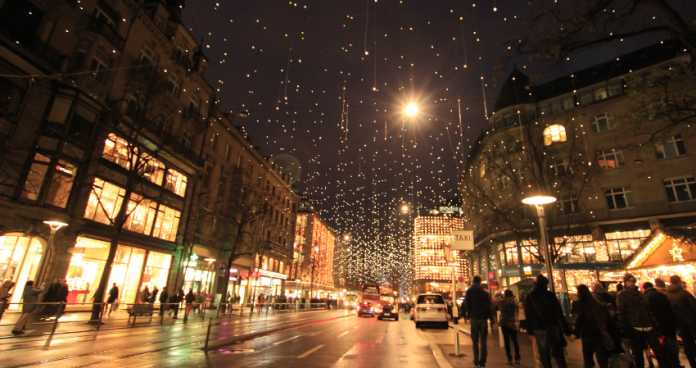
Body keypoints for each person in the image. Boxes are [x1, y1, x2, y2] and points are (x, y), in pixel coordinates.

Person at [617, 274, 668, 368]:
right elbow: (621, 312)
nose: (632, 283)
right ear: (625, 282)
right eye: (629, 281)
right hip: (635, 327)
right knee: (638, 355)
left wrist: (655, 326)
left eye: (633, 281)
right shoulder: (623, 295)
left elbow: (649, 311)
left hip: (647, 326)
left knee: (659, 353)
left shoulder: (640, 294)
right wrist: (624, 329)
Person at [524, 274, 572, 368]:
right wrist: (567, 330)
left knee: (544, 356)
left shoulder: (530, 297)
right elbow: (559, 313)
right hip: (553, 326)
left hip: (539, 328)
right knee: (559, 355)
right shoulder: (550, 295)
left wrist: (530, 331)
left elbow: (528, 315)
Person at [572, 284, 616, 368]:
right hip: (599, 333)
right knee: (602, 359)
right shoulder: (596, 303)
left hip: (587, 335)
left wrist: (575, 333)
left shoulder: (581, 304)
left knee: (588, 358)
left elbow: (579, 320)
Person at [643, 282, 681, 368]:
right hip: (669, 325)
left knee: (660, 347)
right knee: (672, 346)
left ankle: (664, 364)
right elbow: (670, 311)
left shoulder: (646, 298)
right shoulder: (662, 296)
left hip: (657, 327)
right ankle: (675, 364)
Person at [665, 275, 696, 367]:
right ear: (679, 282)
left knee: (687, 344)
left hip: (679, 323)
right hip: (691, 321)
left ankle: (692, 363)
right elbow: (694, 307)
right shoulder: (685, 293)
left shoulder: (667, 295)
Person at [464, 275, 492, 368]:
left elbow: (467, 304)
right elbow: (489, 306)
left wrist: (469, 313)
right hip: (483, 318)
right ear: (480, 282)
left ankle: (476, 360)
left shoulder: (469, 292)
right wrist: (489, 316)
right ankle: (483, 361)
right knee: (483, 341)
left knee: (475, 341)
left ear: (473, 281)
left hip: (474, 318)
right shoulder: (484, 293)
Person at [497, 289, 521, 365]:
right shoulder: (515, 302)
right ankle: (517, 358)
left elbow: (496, 303)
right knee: (515, 341)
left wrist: (499, 294)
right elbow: (517, 311)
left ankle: (509, 358)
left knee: (507, 341)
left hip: (505, 323)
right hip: (513, 322)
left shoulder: (502, 302)